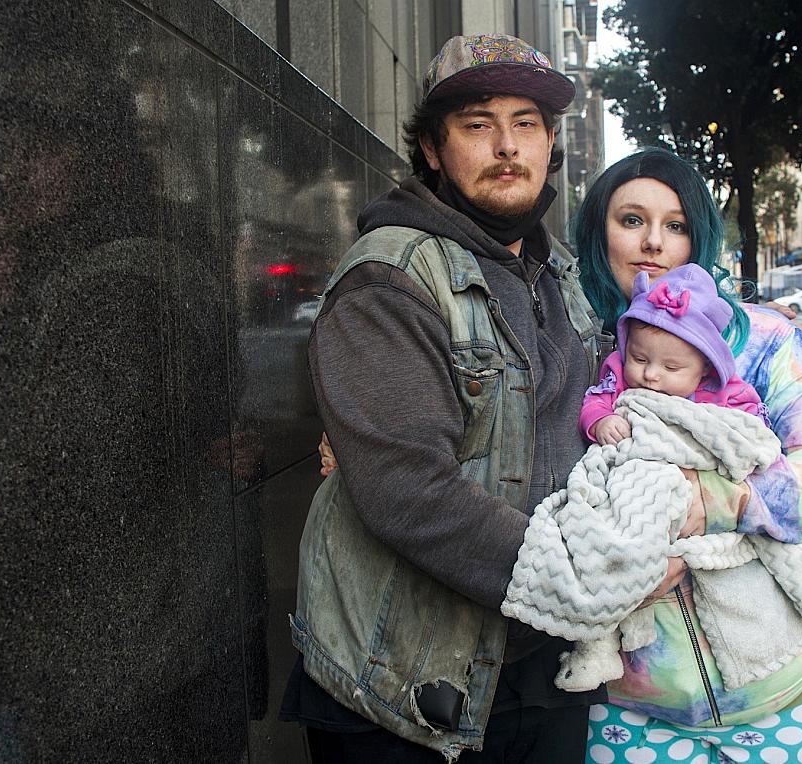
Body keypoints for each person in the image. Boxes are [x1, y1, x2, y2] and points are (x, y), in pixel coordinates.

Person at [281, 33, 611, 762]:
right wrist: (585, 578)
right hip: (407, 687)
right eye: (477, 124)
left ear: (550, 142)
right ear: (432, 149)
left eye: (526, 123)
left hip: (540, 669)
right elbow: (410, 491)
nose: (506, 145)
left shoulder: (556, 273)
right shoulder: (390, 277)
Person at [571, 148, 802, 763]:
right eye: (632, 220)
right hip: (627, 704)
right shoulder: (565, 341)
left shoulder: (762, 337)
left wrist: (712, 500)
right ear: (597, 230)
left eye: (676, 225)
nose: (654, 241)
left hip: (791, 684)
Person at [579, 262, 766, 447]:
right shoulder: (619, 375)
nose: (650, 375)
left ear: (706, 366)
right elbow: (594, 403)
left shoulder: (725, 392)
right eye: (639, 358)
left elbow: (753, 427)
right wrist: (600, 421)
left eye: (671, 367)